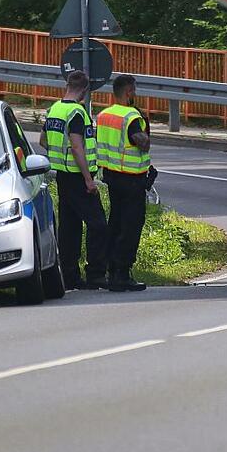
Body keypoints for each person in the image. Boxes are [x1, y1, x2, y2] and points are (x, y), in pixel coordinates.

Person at [40, 70, 107, 290]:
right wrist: (89, 179)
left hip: (61, 176)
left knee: (69, 227)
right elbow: (77, 147)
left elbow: (43, 141)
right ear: (86, 90)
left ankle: (69, 276)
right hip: (78, 178)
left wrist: (60, 154)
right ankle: (96, 274)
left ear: (67, 85)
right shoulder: (77, 113)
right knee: (98, 225)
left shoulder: (54, 110)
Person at [96, 74, 150, 292]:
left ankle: (111, 270)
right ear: (128, 92)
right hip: (132, 178)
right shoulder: (132, 117)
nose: (135, 94)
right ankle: (122, 273)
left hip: (111, 177)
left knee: (115, 222)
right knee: (131, 226)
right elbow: (143, 144)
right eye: (134, 90)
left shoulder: (104, 114)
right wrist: (145, 129)